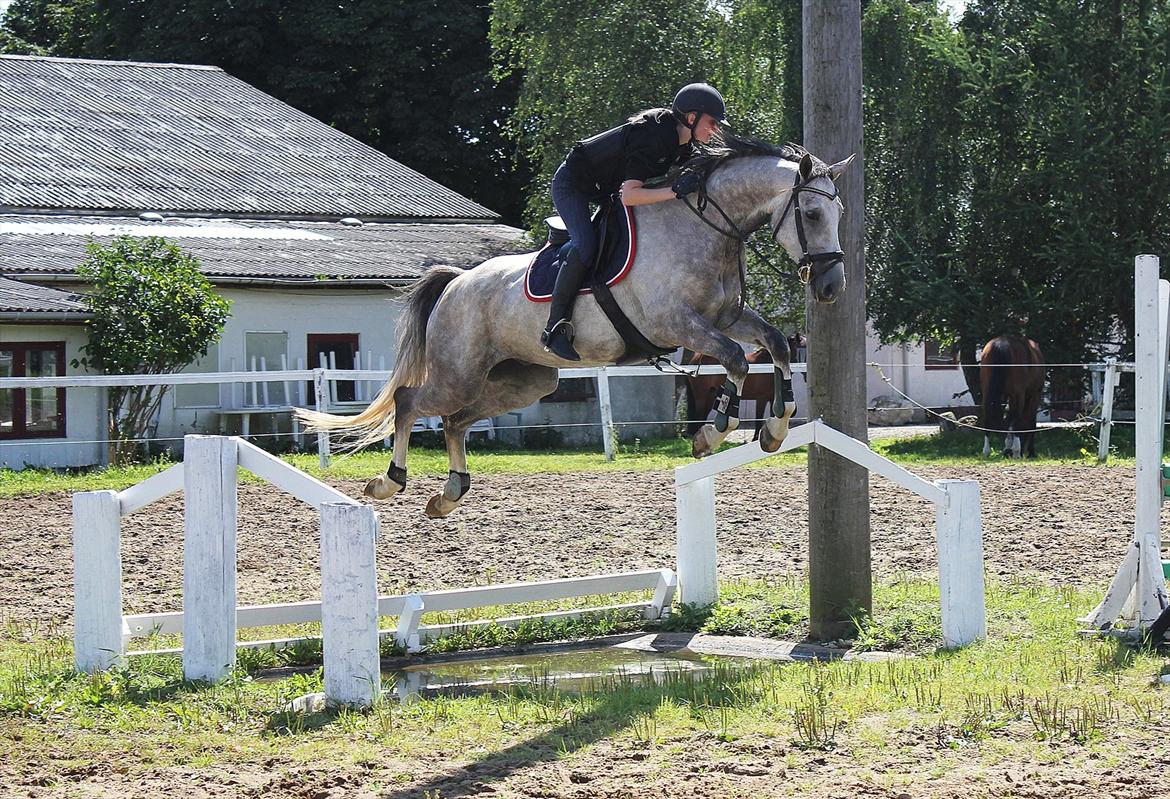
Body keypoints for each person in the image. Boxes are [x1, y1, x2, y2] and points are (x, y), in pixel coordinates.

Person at [540, 82, 729, 361]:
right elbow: (629, 196)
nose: (715, 130)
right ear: (691, 118)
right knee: (586, 245)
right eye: (712, 122)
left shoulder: (684, 145)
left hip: (603, 189)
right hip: (573, 184)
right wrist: (674, 191)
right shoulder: (653, 139)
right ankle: (554, 327)